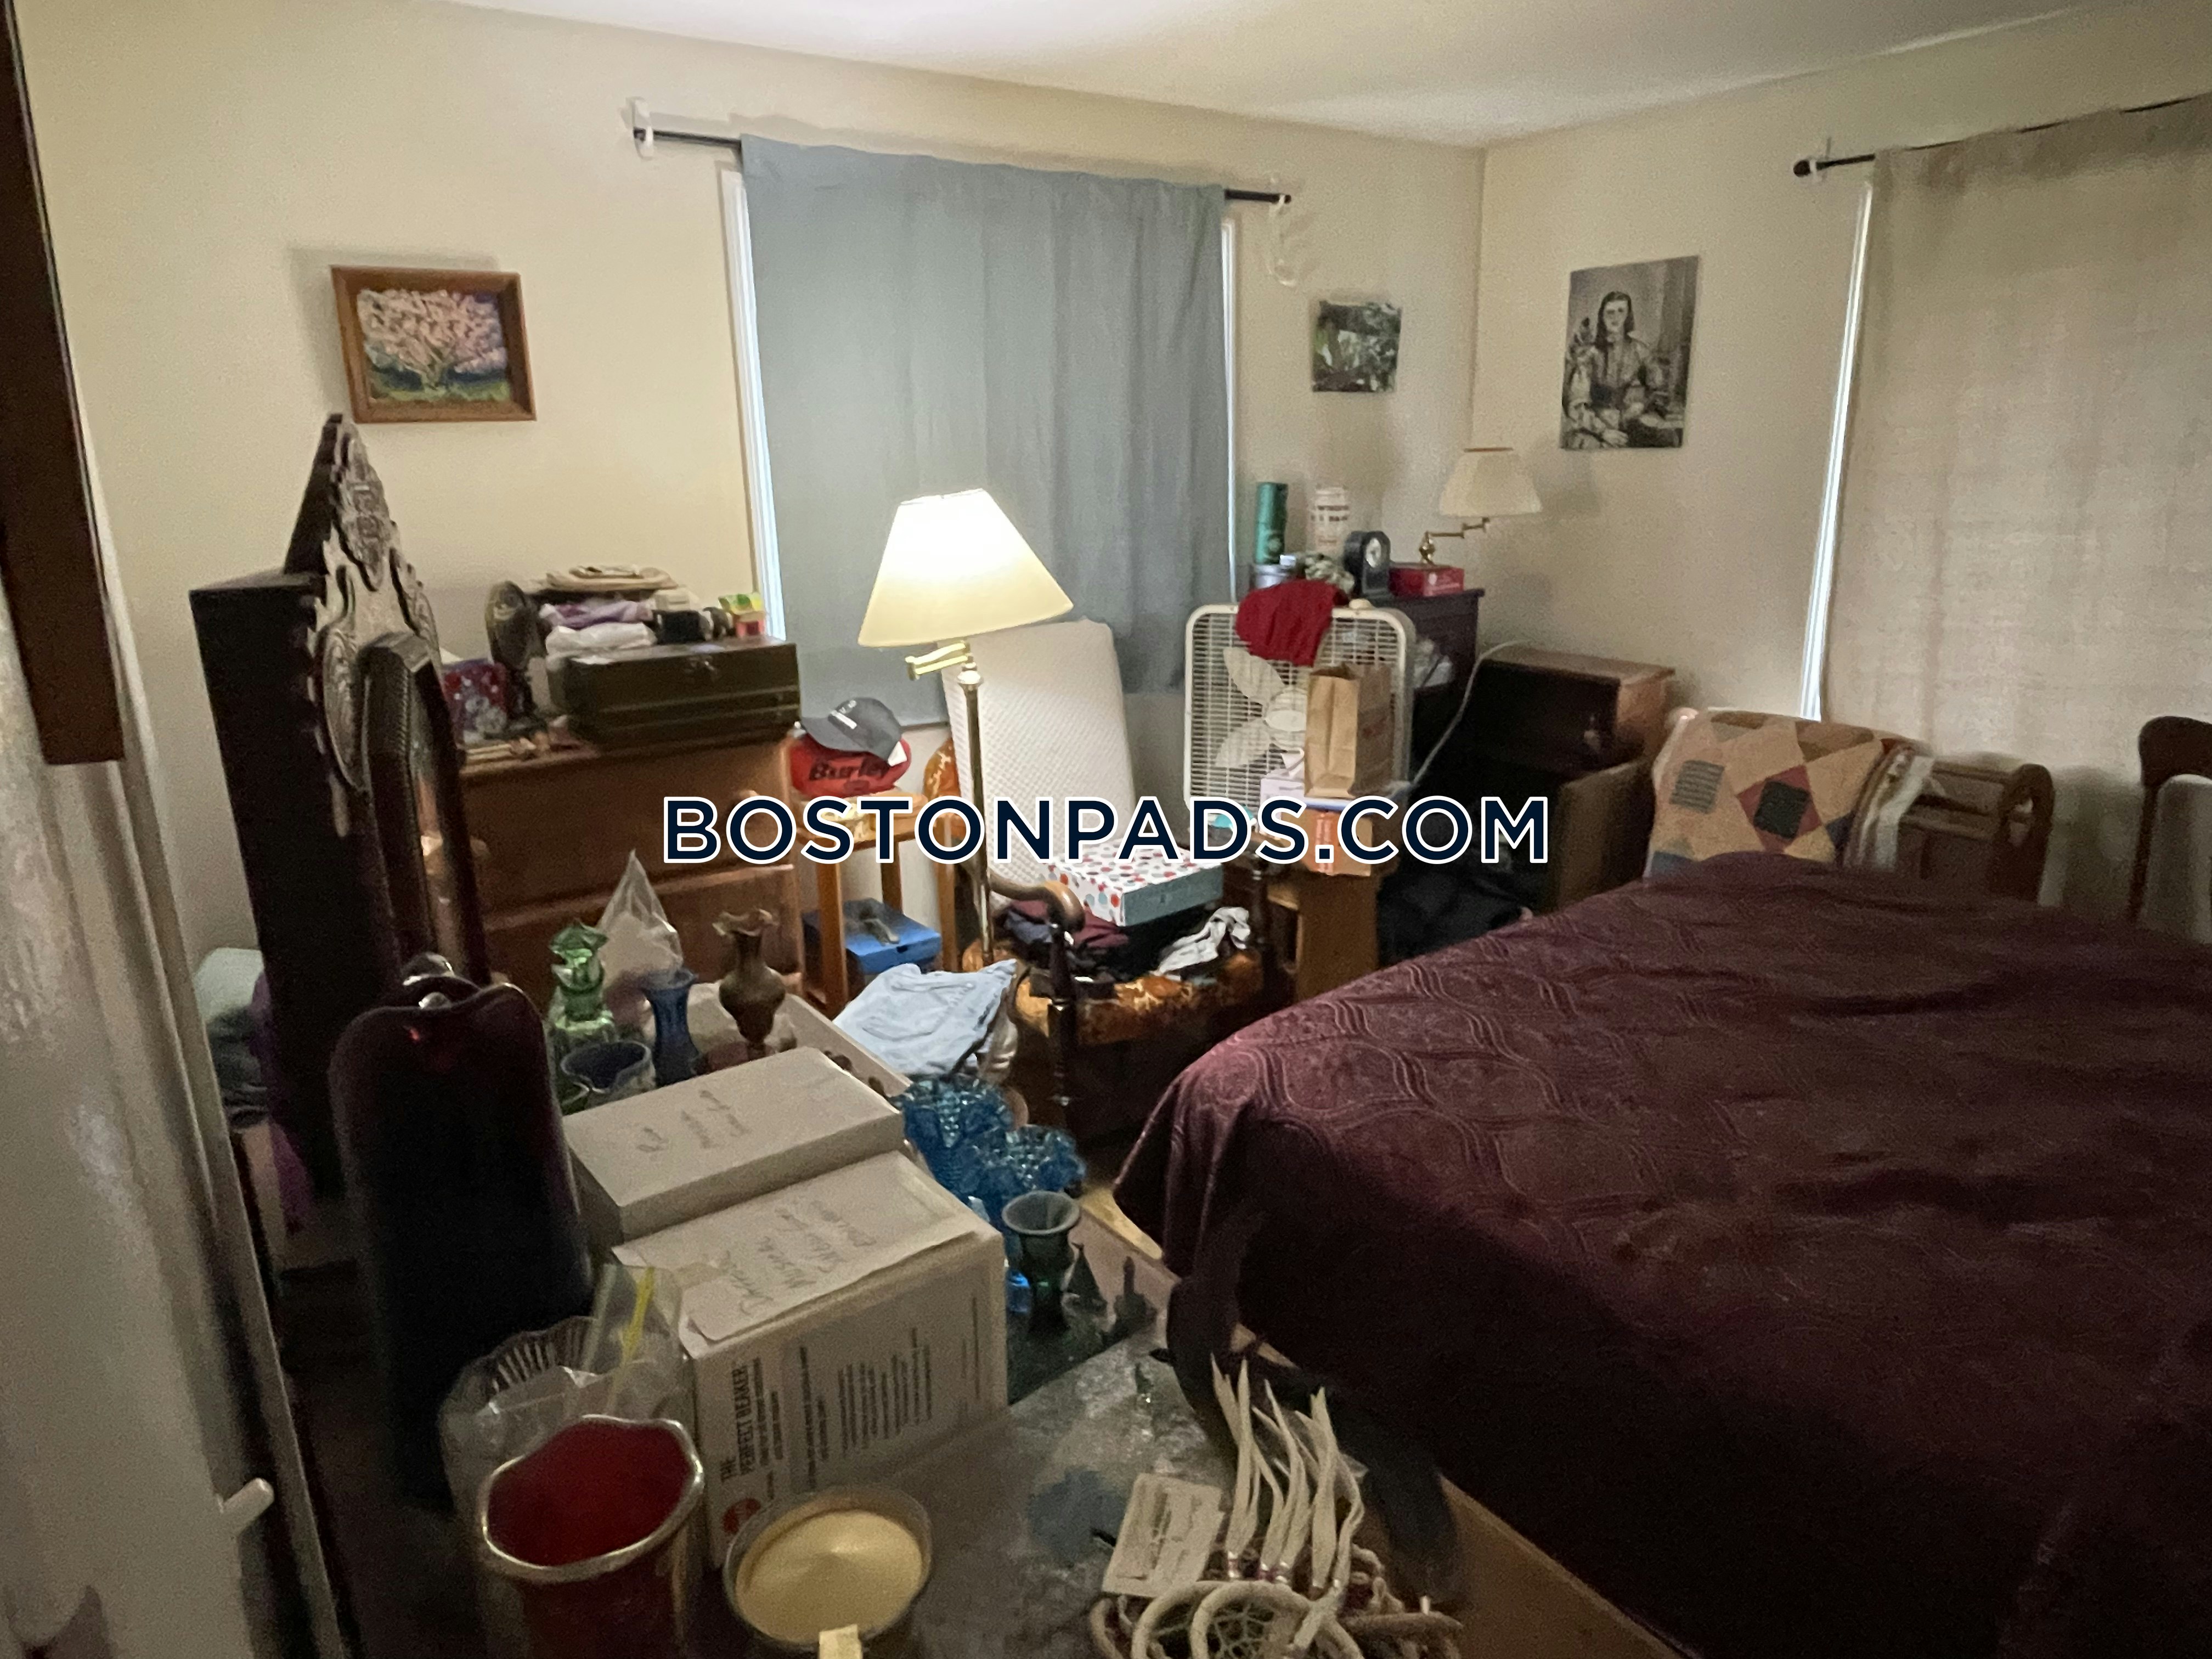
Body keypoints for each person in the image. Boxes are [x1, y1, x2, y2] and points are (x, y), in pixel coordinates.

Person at [1562, 290, 1668, 449]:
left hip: (1628, 423)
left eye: (1621, 311)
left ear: (1628, 316)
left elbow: (1659, 388)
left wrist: (1643, 405)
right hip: (1594, 426)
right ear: (1602, 317)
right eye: (1610, 313)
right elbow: (1577, 404)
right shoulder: (1591, 354)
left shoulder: (1639, 350)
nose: (1615, 317)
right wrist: (1603, 431)